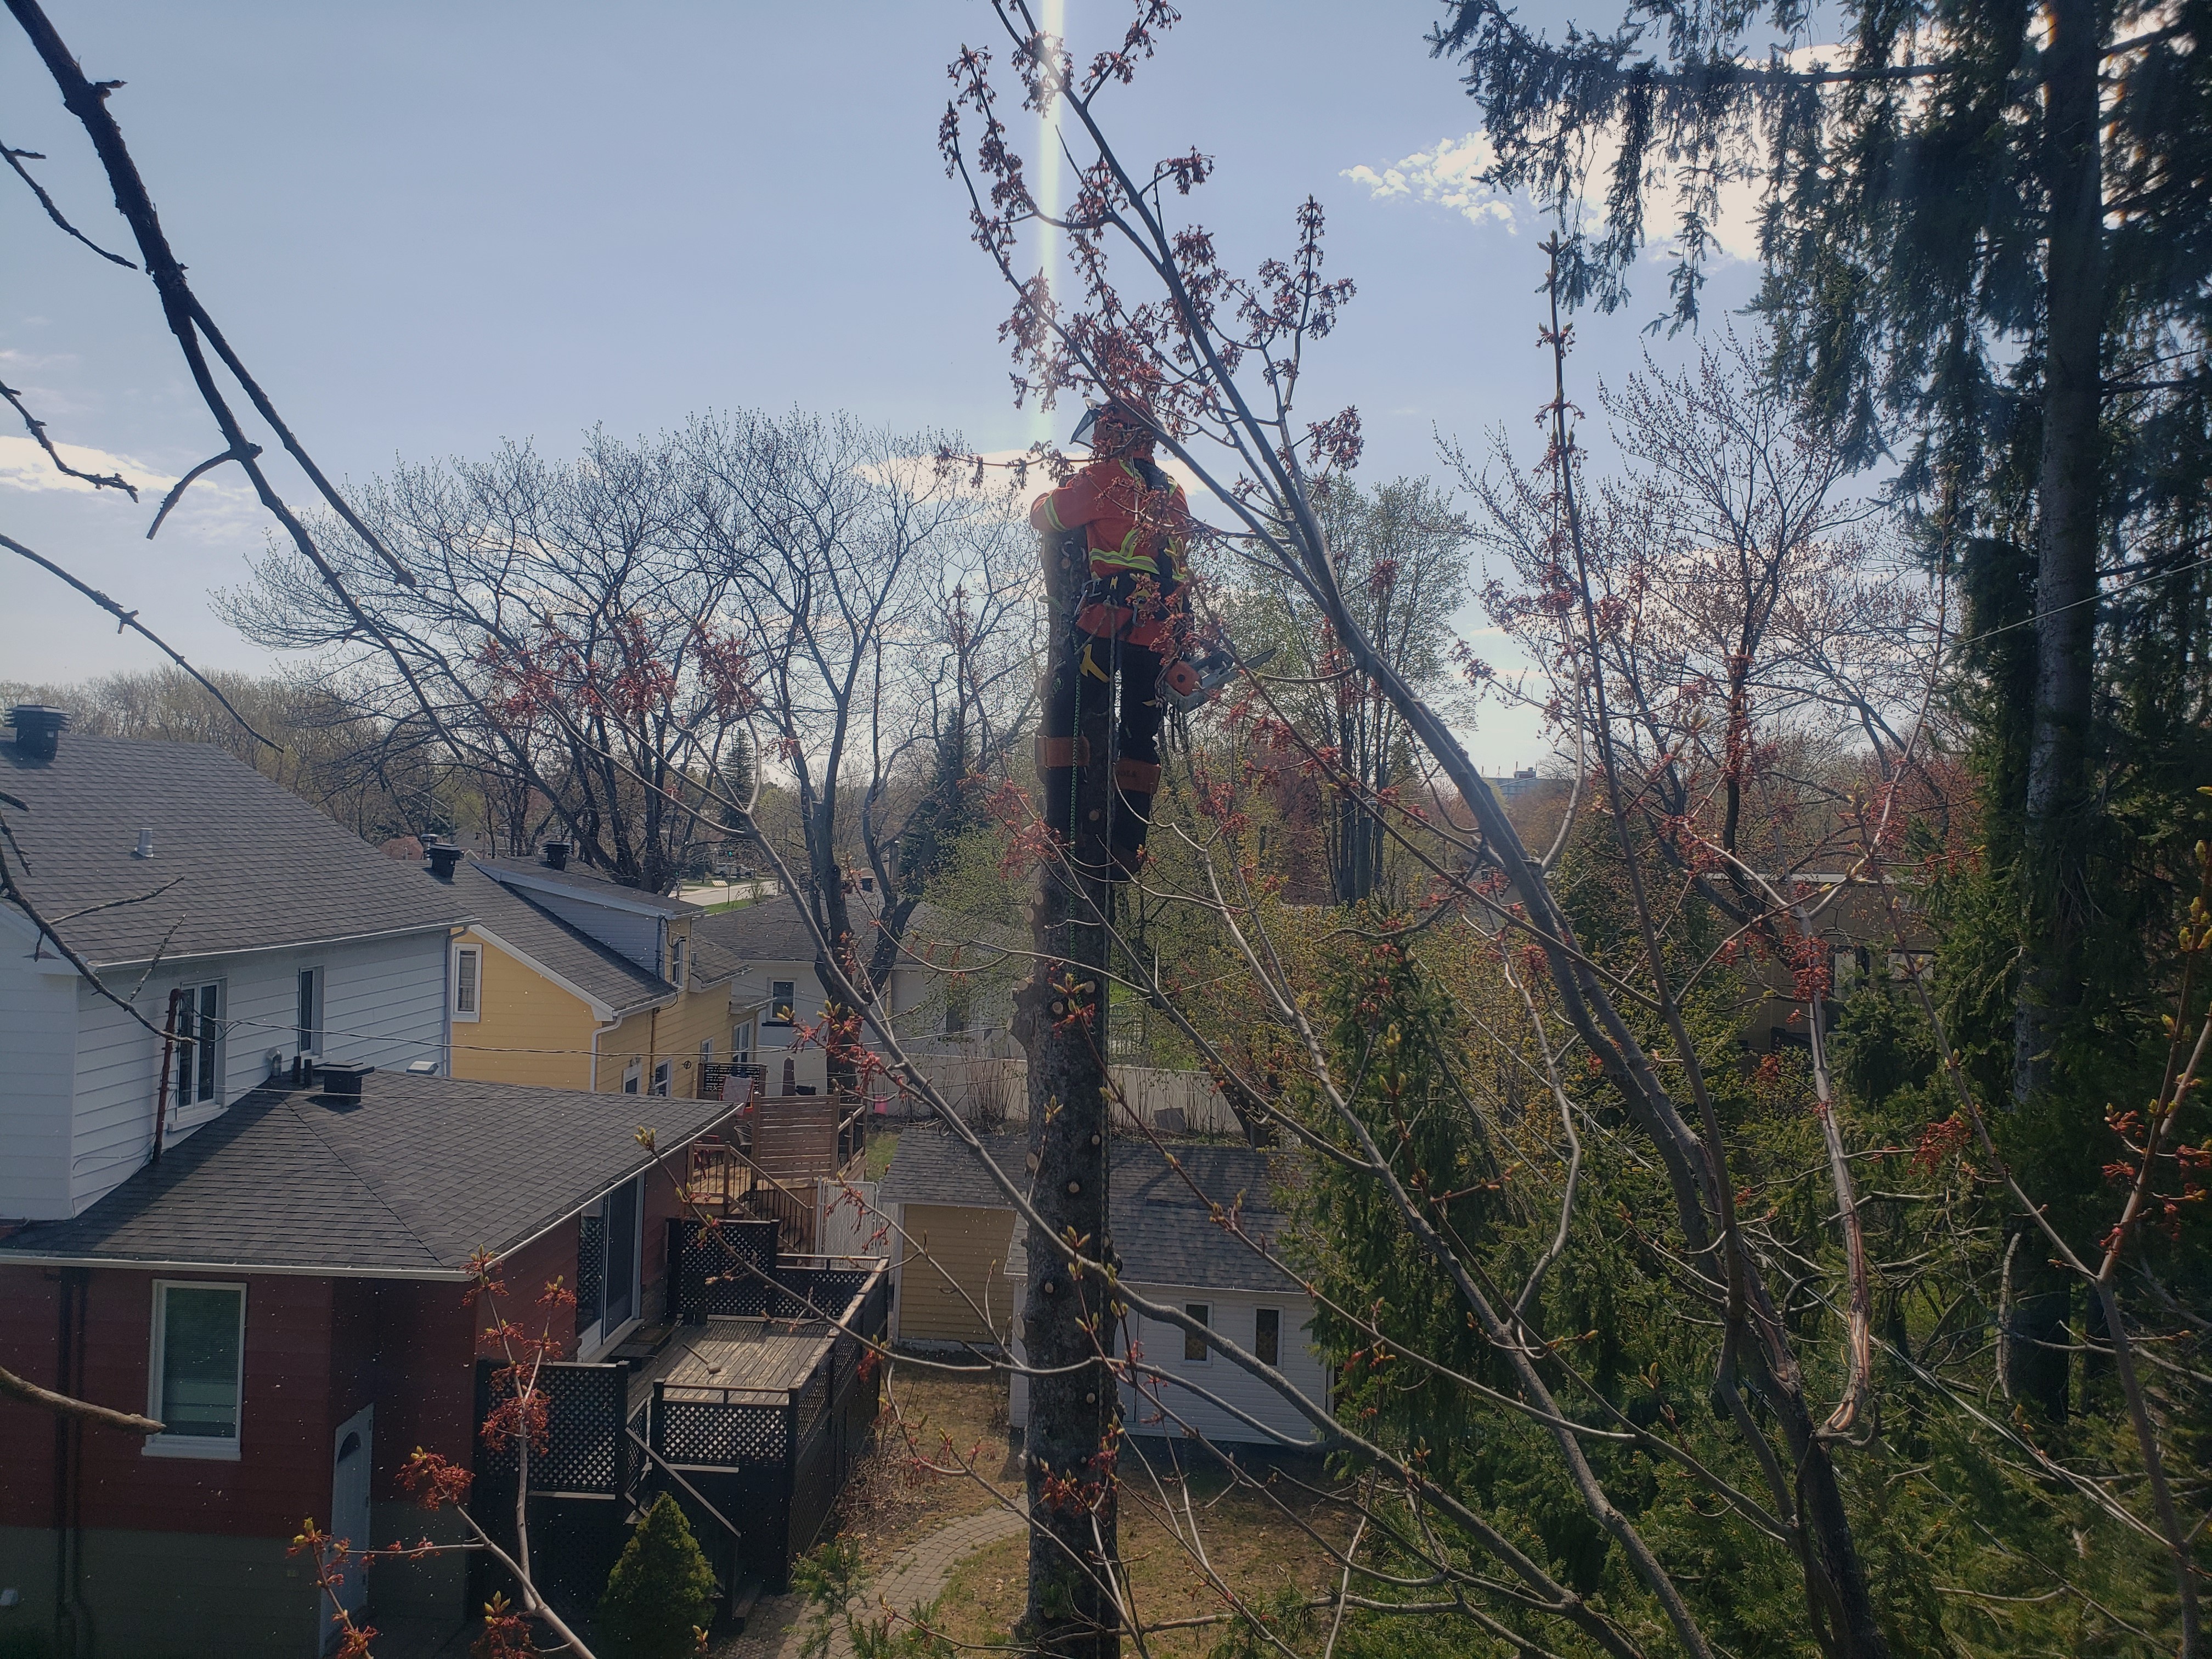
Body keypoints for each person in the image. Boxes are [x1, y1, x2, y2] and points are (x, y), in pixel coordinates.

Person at [1030, 395, 1191, 878]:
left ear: (1111, 435)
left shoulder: (1103, 480)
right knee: (1141, 735)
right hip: (1160, 634)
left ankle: (1061, 829)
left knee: (1064, 711)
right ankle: (1128, 847)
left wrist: (1057, 490)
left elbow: (1046, 516)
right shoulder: (1174, 491)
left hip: (1106, 622)